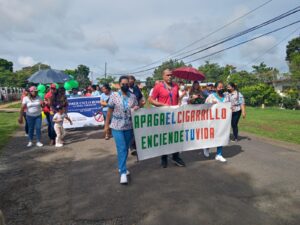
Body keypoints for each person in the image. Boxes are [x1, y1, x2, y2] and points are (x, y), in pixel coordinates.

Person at [104, 76, 139, 184]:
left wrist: (136, 108)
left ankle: (121, 166)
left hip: (128, 126)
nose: (125, 85)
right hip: (116, 126)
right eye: (122, 84)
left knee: (125, 149)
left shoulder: (132, 97)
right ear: (119, 84)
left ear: (129, 84)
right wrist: (106, 126)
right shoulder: (114, 96)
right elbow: (109, 111)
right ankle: (123, 173)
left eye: (127, 84)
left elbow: (136, 107)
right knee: (122, 147)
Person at [149, 68, 186, 168]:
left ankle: (175, 157)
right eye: (168, 75)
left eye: (171, 75)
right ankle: (164, 158)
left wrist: (179, 103)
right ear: (163, 76)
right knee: (164, 137)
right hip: (163, 116)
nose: (170, 77)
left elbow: (177, 98)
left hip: (175, 116)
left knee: (176, 137)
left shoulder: (175, 86)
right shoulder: (158, 86)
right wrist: (161, 104)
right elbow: (151, 100)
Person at [203, 81, 229, 162]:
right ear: (215, 88)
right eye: (219, 87)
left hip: (222, 122)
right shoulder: (211, 96)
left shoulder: (226, 97)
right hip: (212, 121)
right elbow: (204, 107)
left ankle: (219, 154)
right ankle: (206, 148)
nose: (221, 88)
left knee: (221, 136)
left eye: (222, 87)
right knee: (211, 137)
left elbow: (228, 107)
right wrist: (211, 103)